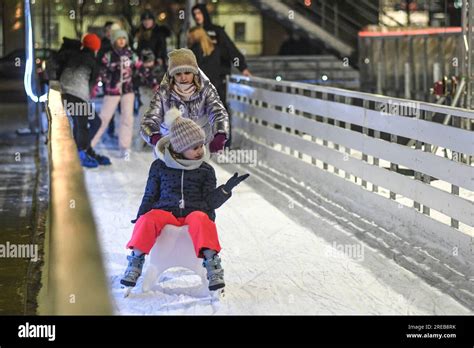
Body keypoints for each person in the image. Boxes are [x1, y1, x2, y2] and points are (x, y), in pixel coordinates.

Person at [121, 108, 249, 290]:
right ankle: (135, 261)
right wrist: (141, 214)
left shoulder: (205, 170)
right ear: (180, 148)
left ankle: (212, 265)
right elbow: (150, 194)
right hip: (166, 211)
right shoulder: (160, 166)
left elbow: (209, 202)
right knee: (148, 219)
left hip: (194, 211)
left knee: (201, 219)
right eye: (194, 147)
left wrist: (225, 190)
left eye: (201, 145)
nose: (200, 150)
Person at [140, 48, 229, 154]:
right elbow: (149, 120)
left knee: (200, 171)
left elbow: (218, 112)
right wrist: (156, 139)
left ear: (194, 72)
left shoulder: (206, 89)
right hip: (170, 147)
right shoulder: (164, 93)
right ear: (172, 75)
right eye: (178, 74)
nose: (183, 78)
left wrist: (220, 135)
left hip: (199, 146)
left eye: (187, 72)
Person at [59, 33, 111, 168]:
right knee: (85, 124)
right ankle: (80, 154)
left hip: (66, 93)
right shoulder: (92, 61)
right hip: (76, 95)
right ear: (96, 48)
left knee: (89, 123)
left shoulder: (75, 54)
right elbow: (92, 83)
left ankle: (85, 150)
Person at [91, 29, 141, 157]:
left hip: (128, 90)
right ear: (114, 41)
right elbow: (101, 72)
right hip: (112, 91)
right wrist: (97, 85)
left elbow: (140, 69)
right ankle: (90, 144)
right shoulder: (108, 55)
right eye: (119, 38)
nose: (121, 41)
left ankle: (125, 147)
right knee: (104, 118)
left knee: (127, 118)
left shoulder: (131, 55)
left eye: (124, 38)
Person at [133, 49, 164, 150]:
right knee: (144, 120)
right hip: (145, 97)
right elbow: (136, 82)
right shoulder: (140, 71)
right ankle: (140, 142)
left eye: (150, 62)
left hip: (157, 99)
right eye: (146, 62)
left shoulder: (158, 69)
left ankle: (157, 142)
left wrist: (157, 84)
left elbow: (163, 81)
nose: (148, 64)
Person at [187, 26, 221, 92]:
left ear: (194, 36)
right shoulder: (215, 49)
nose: (189, 39)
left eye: (190, 36)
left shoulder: (194, 49)